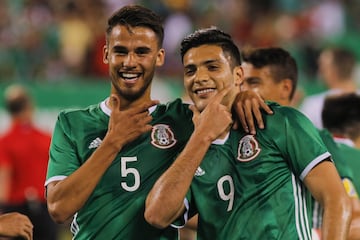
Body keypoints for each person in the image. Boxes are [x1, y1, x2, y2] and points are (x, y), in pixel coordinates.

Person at [44, 5, 270, 240]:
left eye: (142, 52)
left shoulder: (182, 119)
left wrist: (242, 95)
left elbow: (222, 111)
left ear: (159, 57)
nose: (130, 62)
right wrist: (113, 142)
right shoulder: (73, 123)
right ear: (105, 54)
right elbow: (59, 208)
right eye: (120, 51)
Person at [145, 29, 351, 239]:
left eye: (212, 67)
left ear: (238, 75)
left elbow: (335, 200)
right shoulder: (191, 148)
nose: (199, 78)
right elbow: (157, 215)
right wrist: (202, 136)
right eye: (190, 71)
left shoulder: (281, 122)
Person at [241, 46, 360, 239]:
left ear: (285, 88)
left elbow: (351, 211)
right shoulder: (231, 142)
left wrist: (315, 235)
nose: (244, 91)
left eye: (254, 82)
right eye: (240, 82)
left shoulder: (316, 139)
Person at [0, 84, 58, 240]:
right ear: (30, 107)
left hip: (16, 210)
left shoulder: (5, 141)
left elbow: (4, 177)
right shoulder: (47, 138)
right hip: (45, 207)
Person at [299, 47, 359, 129]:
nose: (319, 71)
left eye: (322, 66)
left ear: (332, 70)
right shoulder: (313, 104)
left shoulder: (314, 104)